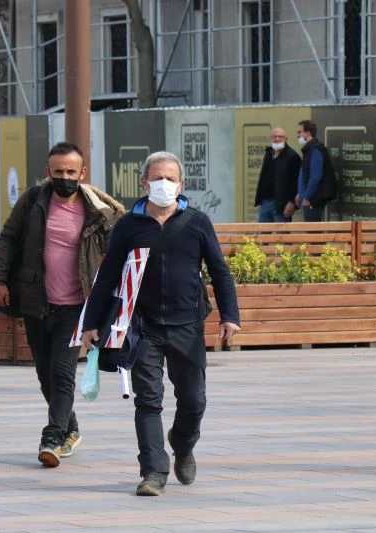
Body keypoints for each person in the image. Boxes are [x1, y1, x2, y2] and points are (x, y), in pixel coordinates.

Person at [80, 151, 240, 496]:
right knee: (148, 400)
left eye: (170, 178)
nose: (163, 184)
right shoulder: (129, 225)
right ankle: (153, 472)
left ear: (181, 184)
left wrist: (230, 315)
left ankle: (182, 443)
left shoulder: (197, 222)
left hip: (187, 325)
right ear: (144, 183)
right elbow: (107, 276)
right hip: (142, 326)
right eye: (157, 178)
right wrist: (91, 323)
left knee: (194, 400)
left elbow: (220, 271)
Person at [0, 142, 125, 467]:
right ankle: (70, 427)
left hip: (76, 306)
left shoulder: (99, 211)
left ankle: (52, 438)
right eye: (58, 171)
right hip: (37, 301)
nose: (64, 177)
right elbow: (8, 239)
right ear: (48, 172)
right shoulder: (33, 201)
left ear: (82, 173)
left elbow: (116, 254)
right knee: (45, 375)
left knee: (62, 373)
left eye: (70, 171)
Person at [254, 127, 301, 222]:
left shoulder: (292, 156)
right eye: (274, 136)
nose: (277, 139)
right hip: (265, 203)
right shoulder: (268, 154)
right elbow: (263, 178)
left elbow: (296, 182)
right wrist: (259, 200)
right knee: (263, 231)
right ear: (270, 138)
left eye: (280, 136)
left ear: (286, 139)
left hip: (282, 205)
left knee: (281, 231)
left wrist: (292, 202)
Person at [295, 120, 335, 221]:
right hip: (308, 198)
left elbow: (315, 177)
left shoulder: (316, 149)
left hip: (313, 200)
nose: (297, 136)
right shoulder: (308, 149)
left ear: (308, 134)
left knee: (312, 228)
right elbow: (304, 174)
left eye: (299, 132)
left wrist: (307, 197)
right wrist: (300, 193)